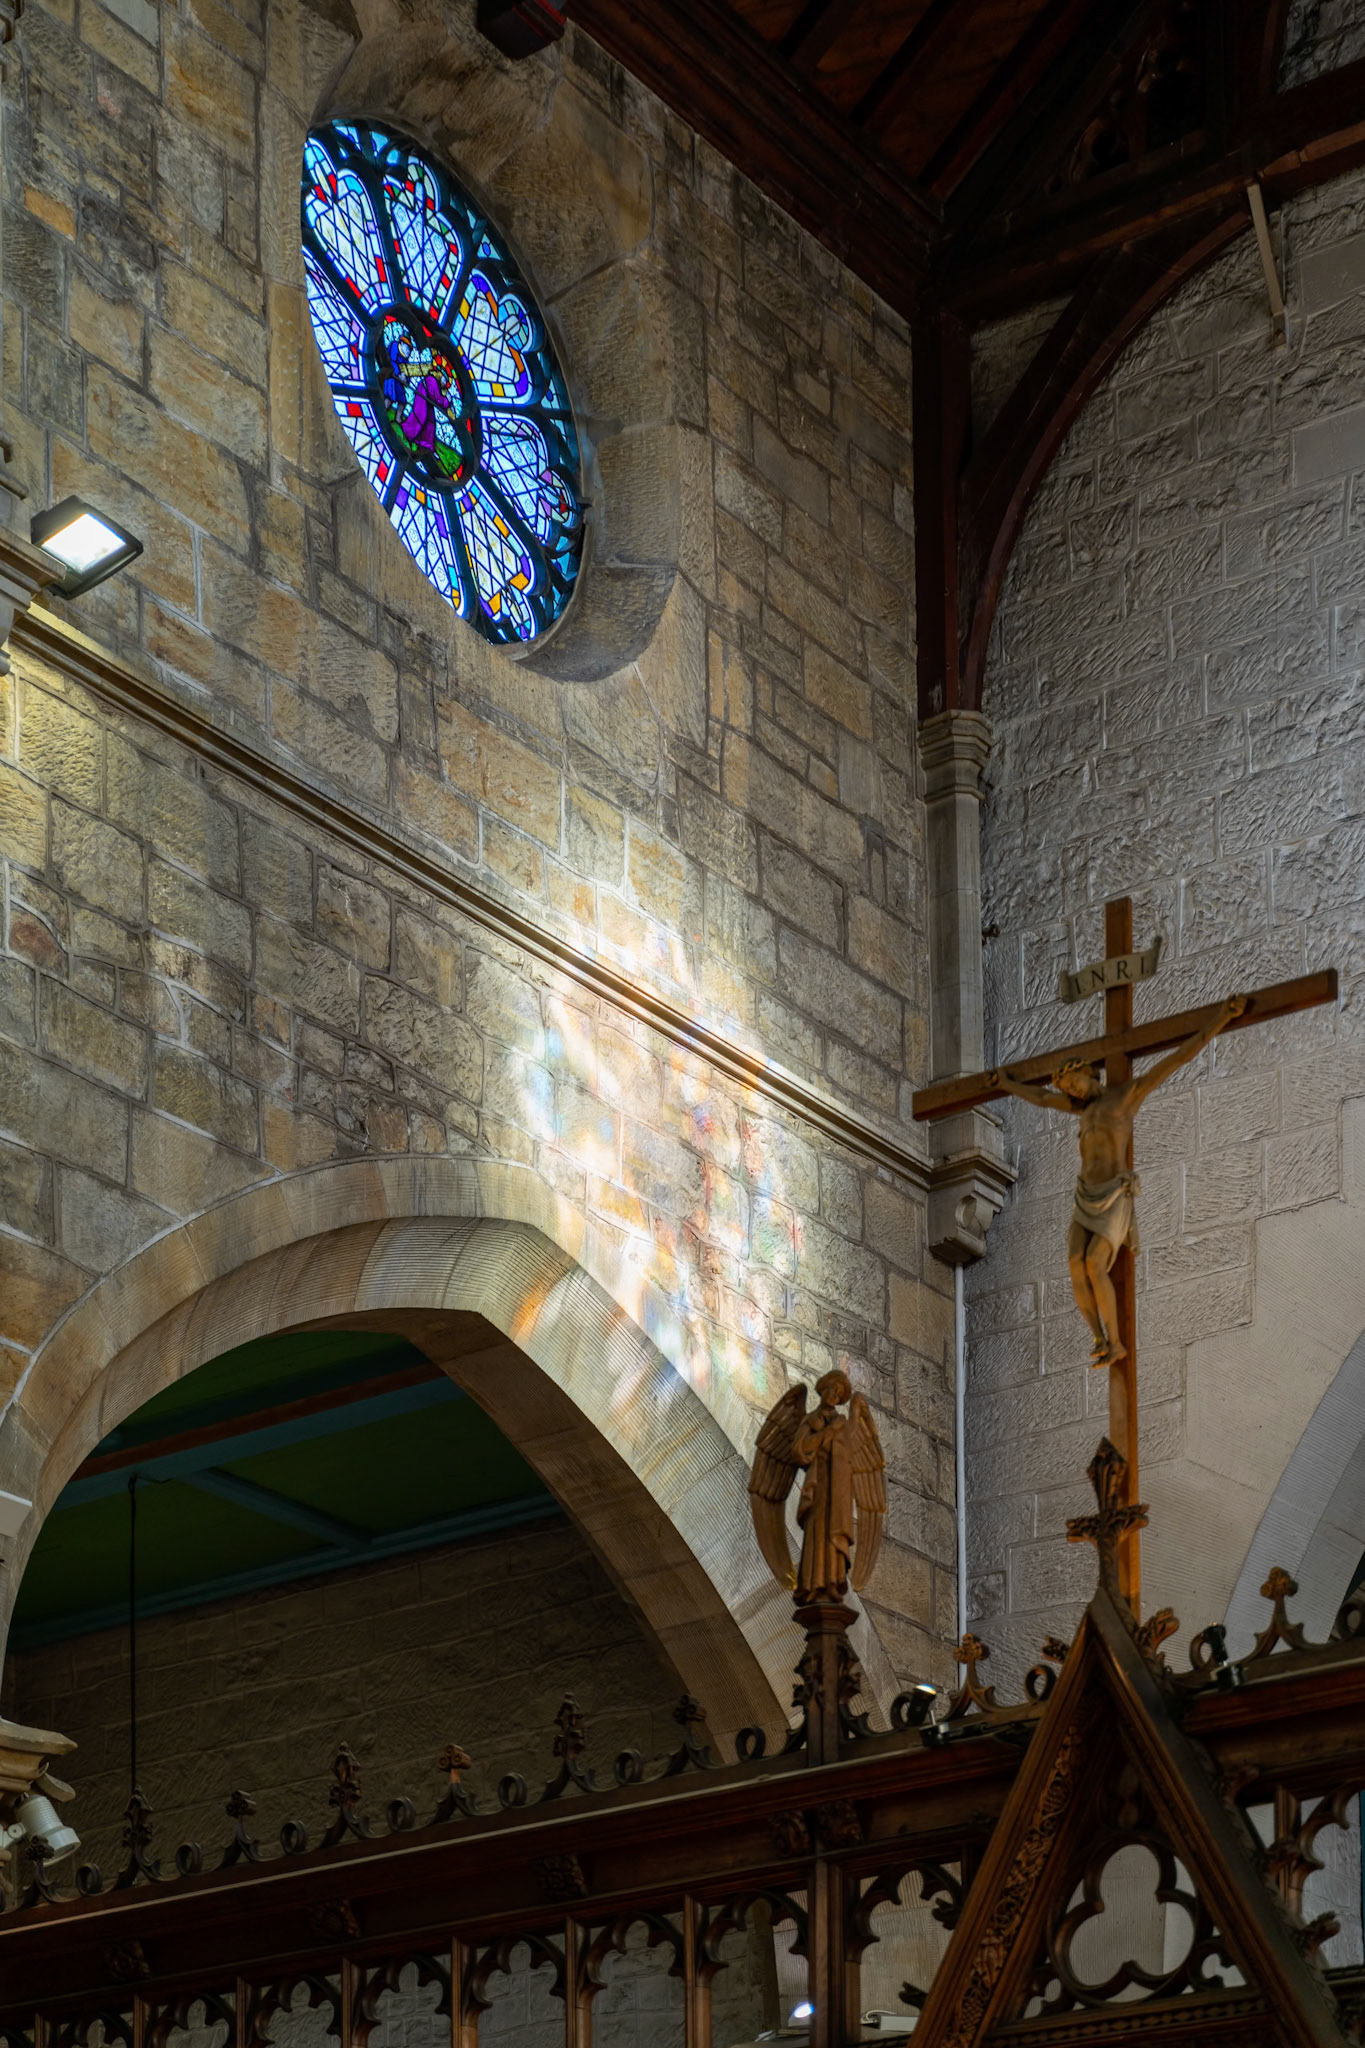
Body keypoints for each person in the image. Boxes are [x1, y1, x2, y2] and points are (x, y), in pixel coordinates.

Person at [991, 993, 1249, 1366]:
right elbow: (1042, 1099)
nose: (1070, 1090)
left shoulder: (1127, 1096)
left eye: (1073, 1081)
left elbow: (1178, 1058)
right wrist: (1006, 1084)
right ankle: (1097, 1336)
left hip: (1114, 1194)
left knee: (1095, 1264)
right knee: (1074, 1264)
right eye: (1065, 1087)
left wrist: (1221, 1018)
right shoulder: (1079, 1108)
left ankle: (1116, 1342)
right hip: (1085, 1195)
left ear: (1088, 1071)